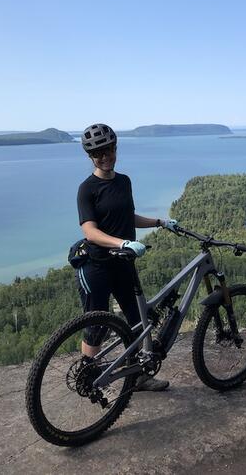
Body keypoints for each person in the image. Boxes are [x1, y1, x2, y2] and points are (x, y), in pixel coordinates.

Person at [76, 123, 177, 392]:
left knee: (137, 322)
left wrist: (159, 222)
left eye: (108, 150)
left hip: (123, 263)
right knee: (97, 325)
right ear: (90, 157)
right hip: (97, 265)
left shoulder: (123, 181)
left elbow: (126, 217)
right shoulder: (87, 189)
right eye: (98, 153)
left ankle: (138, 377)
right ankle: (86, 377)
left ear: (115, 148)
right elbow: (90, 231)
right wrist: (123, 242)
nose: (105, 156)